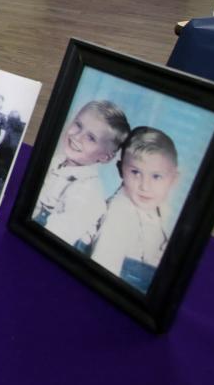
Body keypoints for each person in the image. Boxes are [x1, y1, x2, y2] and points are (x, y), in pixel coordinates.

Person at [90, 127, 179, 292]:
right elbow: (102, 273)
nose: (145, 186)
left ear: (173, 179)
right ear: (120, 170)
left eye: (156, 176)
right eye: (136, 172)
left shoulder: (159, 210)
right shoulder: (120, 214)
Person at [32, 100, 131, 247]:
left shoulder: (88, 193)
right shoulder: (56, 161)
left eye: (91, 138)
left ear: (105, 157)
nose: (77, 137)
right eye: (78, 125)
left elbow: (53, 239)